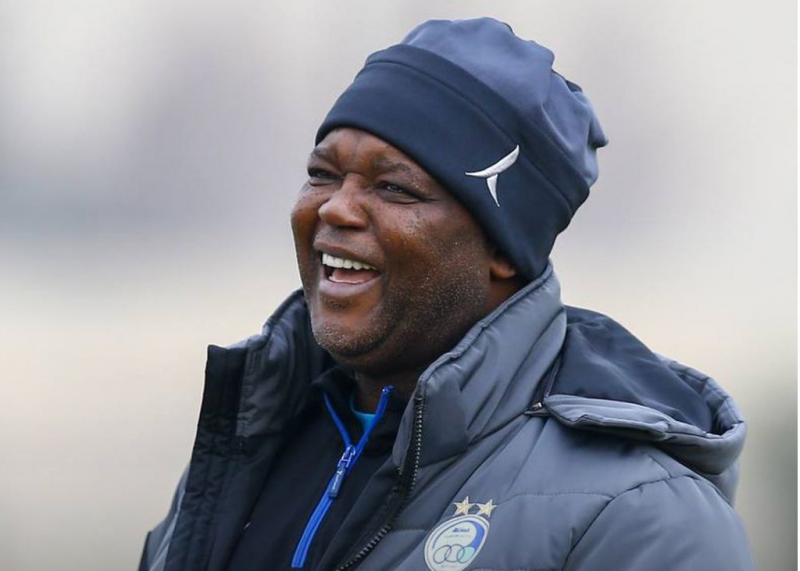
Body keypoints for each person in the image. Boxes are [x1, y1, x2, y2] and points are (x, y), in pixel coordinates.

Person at [139, 18, 755, 571]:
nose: (335, 207)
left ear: (504, 249)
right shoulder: (250, 449)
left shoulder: (638, 515)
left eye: (394, 188)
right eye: (322, 174)